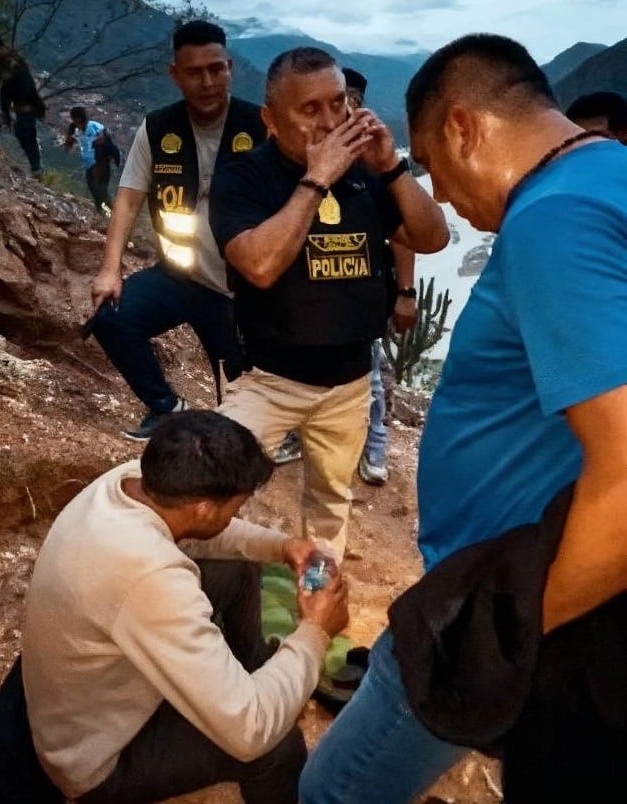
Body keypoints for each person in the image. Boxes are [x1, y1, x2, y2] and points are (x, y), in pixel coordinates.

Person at [299, 33, 627, 803]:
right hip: (565, 584)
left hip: (523, 592)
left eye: (435, 167)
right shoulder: (609, 176)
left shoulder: (555, 219)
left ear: (463, 127)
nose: (440, 195)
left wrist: (498, 637)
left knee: (333, 791)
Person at [21, 410, 349, 802]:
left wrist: (281, 546)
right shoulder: (151, 577)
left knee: (238, 573)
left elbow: (202, 536)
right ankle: (260, 696)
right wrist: (316, 631)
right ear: (204, 509)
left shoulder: (132, 482)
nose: (236, 515)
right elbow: (251, 733)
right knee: (277, 747)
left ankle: (261, 680)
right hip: (97, 758)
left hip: (88, 697)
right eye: (235, 506)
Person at [210, 47, 448, 561]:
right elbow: (260, 264)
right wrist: (316, 179)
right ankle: (219, 594)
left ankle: (314, 601)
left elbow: (431, 237)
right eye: (310, 109)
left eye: (338, 104)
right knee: (217, 490)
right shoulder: (244, 178)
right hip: (267, 379)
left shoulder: (366, 174)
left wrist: (390, 165)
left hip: (350, 382)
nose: (330, 121)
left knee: (329, 502)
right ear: (271, 120)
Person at [89, 20, 265, 442]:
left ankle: (268, 426)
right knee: (111, 319)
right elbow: (129, 198)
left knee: (240, 411)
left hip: (241, 288)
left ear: (230, 69)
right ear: (175, 74)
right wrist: (109, 269)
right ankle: (166, 409)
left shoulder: (260, 126)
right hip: (180, 275)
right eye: (194, 72)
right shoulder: (158, 128)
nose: (207, 82)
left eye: (216, 69)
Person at [341, 67, 419, 486]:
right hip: (320, 289)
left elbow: (406, 235)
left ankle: (374, 443)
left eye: (350, 98)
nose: (344, 108)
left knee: (369, 375)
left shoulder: (376, 160)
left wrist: (405, 293)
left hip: (369, 288)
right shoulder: (310, 152)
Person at [0, 35, 46, 178]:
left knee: (27, 135)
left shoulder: (13, 63)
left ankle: (37, 169)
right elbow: (6, 90)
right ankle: (36, 168)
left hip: (26, 106)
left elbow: (26, 86)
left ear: (0, 48)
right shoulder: (6, 63)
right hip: (21, 106)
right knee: (22, 135)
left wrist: (26, 105)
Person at [65, 106, 120, 213]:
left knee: (101, 190)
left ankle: (113, 214)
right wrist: (70, 137)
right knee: (94, 189)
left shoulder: (94, 126)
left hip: (101, 162)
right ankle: (103, 212)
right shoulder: (75, 129)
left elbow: (104, 139)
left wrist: (97, 142)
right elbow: (68, 144)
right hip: (89, 164)